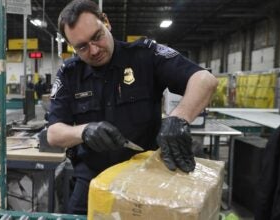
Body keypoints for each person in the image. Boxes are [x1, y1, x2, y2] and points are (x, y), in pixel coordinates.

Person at [47, 0, 218, 214]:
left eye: (96, 37)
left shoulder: (145, 55)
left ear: (106, 22)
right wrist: (85, 130)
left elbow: (205, 79)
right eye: (81, 47)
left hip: (144, 180)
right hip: (92, 181)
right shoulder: (70, 73)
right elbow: (53, 134)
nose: (93, 50)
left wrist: (179, 118)